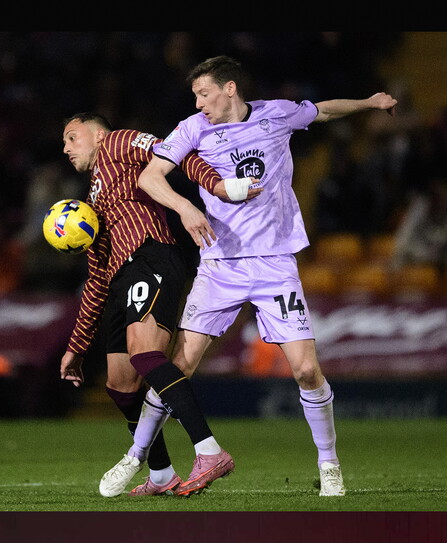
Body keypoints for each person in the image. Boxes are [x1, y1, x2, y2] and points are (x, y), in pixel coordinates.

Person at [124, 55, 398, 497]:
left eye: (204, 93)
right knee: (178, 367)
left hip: (274, 264)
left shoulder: (277, 114)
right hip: (219, 265)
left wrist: (368, 103)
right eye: (195, 95)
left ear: (230, 88)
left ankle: (329, 464)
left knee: (307, 370)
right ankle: (137, 457)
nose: (198, 103)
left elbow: (323, 109)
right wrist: (187, 207)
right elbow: (151, 177)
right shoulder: (193, 128)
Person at [58, 112, 261, 498]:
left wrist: (216, 185)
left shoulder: (116, 142)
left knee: (145, 355)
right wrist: (77, 347)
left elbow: (176, 152)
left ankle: (209, 450)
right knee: (120, 386)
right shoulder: (91, 203)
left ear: (97, 133)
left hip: (150, 256)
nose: (66, 148)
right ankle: (163, 474)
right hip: (120, 280)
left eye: (72, 137)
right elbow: (97, 282)